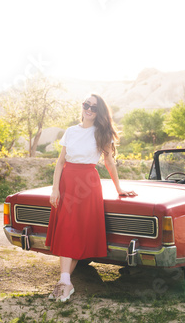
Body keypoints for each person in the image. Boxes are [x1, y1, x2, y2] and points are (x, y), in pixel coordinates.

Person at [45, 94, 137, 302]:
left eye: (93, 107)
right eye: (86, 105)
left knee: (74, 230)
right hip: (67, 183)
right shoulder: (70, 131)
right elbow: (60, 163)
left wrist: (119, 187)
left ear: (99, 112)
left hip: (87, 185)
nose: (88, 109)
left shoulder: (102, 133)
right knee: (68, 230)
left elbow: (109, 163)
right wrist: (55, 189)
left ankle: (65, 282)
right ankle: (65, 281)